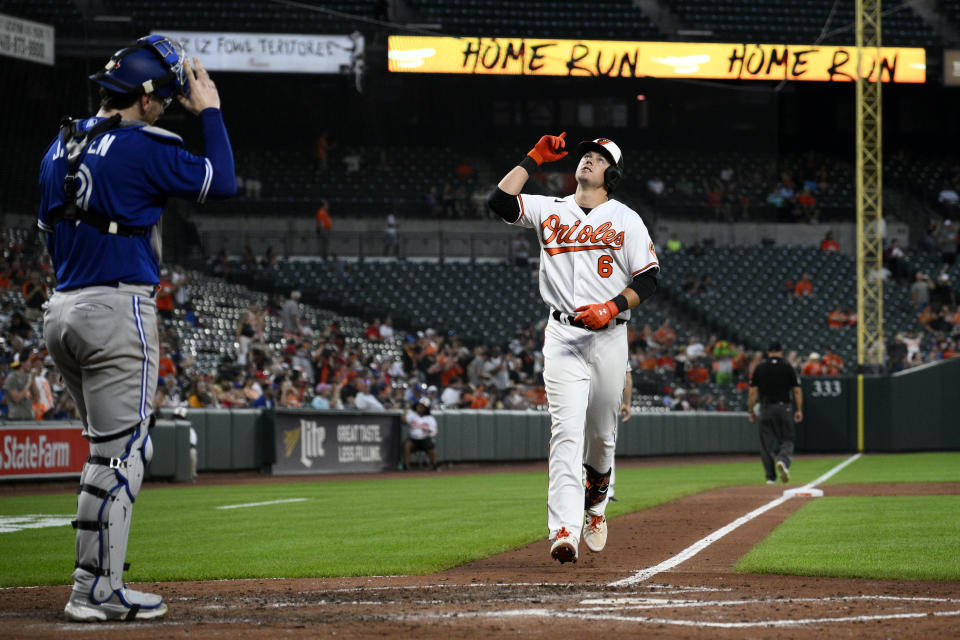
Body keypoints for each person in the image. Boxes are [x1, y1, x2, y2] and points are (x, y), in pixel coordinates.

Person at [39, 36, 234, 622]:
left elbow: (47, 229)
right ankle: (94, 589)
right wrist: (213, 112)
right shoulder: (142, 144)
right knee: (124, 455)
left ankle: (92, 582)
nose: (170, 106)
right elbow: (220, 182)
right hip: (115, 308)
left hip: (62, 307)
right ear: (146, 98)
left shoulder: (59, 144)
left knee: (107, 452)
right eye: (167, 98)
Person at [486, 132, 658, 564]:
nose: (588, 161)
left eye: (599, 158)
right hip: (562, 335)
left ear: (611, 173)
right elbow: (501, 203)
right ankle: (564, 529)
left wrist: (612, 306)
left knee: (600, 435)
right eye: (585, 155)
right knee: (565, 432)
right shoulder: (551, 207)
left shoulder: (626, 219)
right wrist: (532, 158)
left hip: (609, 334)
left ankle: (596, 505)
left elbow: (648, 279)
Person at [747, 341, 803, 485]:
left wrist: (751, 410)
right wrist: (799, 410)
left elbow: (752, 392)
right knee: (788, 439)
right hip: (784, 408)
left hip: (765, 408)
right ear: (780, 352)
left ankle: (770, 478)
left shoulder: (760, 368)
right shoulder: (787, 367)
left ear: (768, 352)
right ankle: (783, 460)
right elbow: (797, 390)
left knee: (766, 445)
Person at [401, 397, 439, 470]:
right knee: (406, 445)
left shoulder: (430, 418)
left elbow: (434, 431)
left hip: (425, 439)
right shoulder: (412, 415)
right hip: (413, 440)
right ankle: (406, 466)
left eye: (422, 406)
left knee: (430, 447)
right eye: (419, 405)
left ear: (426, 408)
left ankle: (435, 465)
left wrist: (429, 435)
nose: (419, 407)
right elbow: (404, 421)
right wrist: (404, 410)